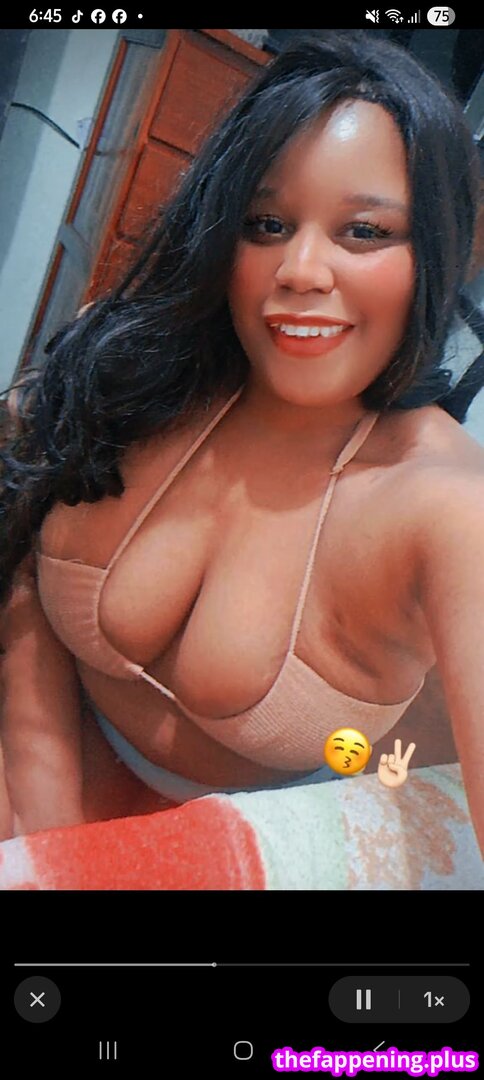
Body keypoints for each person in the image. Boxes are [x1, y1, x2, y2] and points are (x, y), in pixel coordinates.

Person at [0, 31, 483, 854]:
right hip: (43, 758)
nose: (300, 269)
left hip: (249, 837)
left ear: (432, 251)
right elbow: (24, 569)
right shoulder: (141, 366)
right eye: (267, 223)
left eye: (363, 232)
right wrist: (49, 839)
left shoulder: (448, 504)